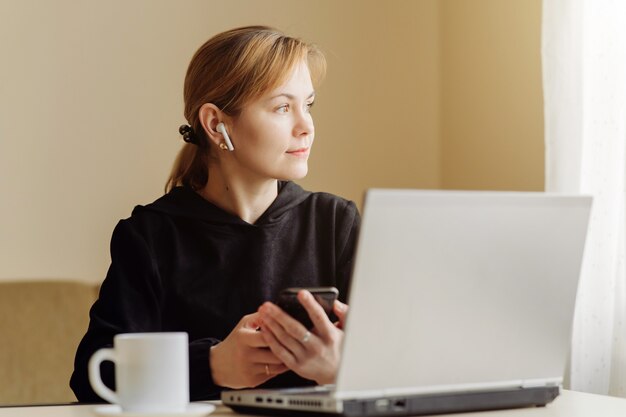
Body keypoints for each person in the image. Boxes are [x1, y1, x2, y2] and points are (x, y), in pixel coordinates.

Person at [70, 25, 360, 402]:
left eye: (309, 105)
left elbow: (403, 363)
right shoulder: (149, 236)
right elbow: (94, 377)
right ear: (215, 124)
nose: (307, 127)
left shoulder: (337, 223)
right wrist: (212, 364)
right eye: (283, 107)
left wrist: (346, 367)